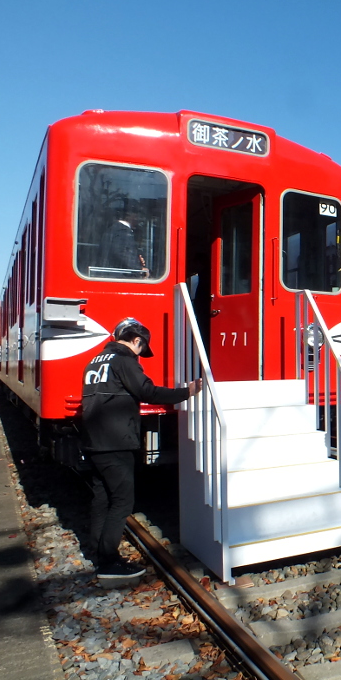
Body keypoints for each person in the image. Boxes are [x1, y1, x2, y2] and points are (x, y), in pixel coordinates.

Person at [80, 318, 202, 579]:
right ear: (137, 341)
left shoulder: (96, 360)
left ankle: (97, 552)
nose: (140, 355)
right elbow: (147, 392)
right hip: (116, 439)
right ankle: (109, 562)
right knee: (122, 501)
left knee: (102, 497)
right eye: (141, 349)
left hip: (94, 439)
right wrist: (186, 391)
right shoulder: (124, 360)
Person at [98, 200, 149, 277]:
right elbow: (122, 252)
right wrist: (138, 269)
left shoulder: (114, 229)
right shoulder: (122, 231)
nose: (139, 219)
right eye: (138, 215)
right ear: (129, 215)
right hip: (118, 277)